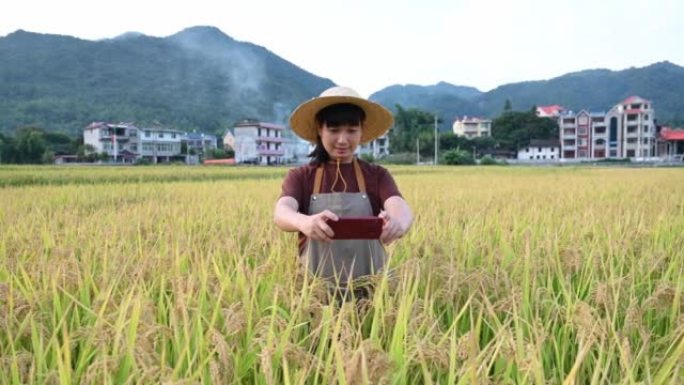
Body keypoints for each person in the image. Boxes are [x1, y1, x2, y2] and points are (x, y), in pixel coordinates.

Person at [274, 86, 413, 300]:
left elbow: (398, 205)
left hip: (371, 293)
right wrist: (303, 222)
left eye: (351, 130)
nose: (342, 139)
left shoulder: (376, 175)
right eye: (334, 129)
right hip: (316, 295)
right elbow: (282, 212)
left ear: (361, 131)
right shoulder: (302, 176)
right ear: (320, 129)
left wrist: (398, 224)